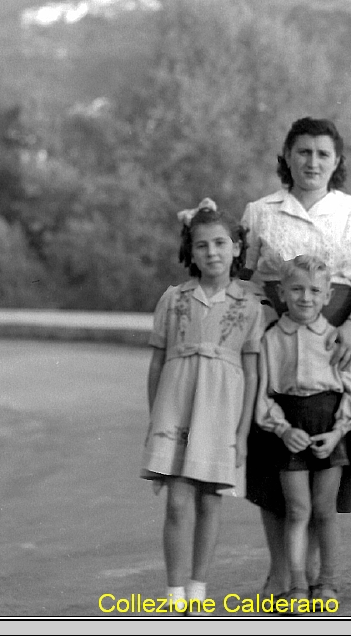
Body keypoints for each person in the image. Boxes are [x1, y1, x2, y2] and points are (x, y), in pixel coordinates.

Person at [241, 116, 351, 597]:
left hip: (337, 336)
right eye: (303, 152)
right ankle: (282, 569)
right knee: (273, 451)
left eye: (323, 154)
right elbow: (244, 279)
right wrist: (260, 326)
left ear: (337, 162)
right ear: (286, 155)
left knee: (330, 452)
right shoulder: (260, 211)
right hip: (275, 340)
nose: (312, 162)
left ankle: (320, 573)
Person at [141, 199, 264, 613]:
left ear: (236, 248)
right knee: (178, 500)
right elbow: (157, 362)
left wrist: (242, 433)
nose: (212, 252)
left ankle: (198, 588)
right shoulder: (173, 298)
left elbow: (252, 371)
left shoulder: (249, 304)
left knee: (210, 499)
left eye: (220, 243)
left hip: (222, 410)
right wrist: (154, 416)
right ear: (190, 252)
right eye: (201, 245)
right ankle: (174, 595)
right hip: (176, 406)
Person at [255, 255, 351, 611]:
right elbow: (265, 396)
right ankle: (298, 584)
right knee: (298, 509)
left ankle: (327, 582)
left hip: (329, 429)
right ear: (282, 293)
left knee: (324, 509)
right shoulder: (272, 340)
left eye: (315, 290)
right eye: (297, 289)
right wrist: (283, 430)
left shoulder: (336, 338)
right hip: (291, 430)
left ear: (328, 295)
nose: (305, 297)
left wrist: (338, 433)